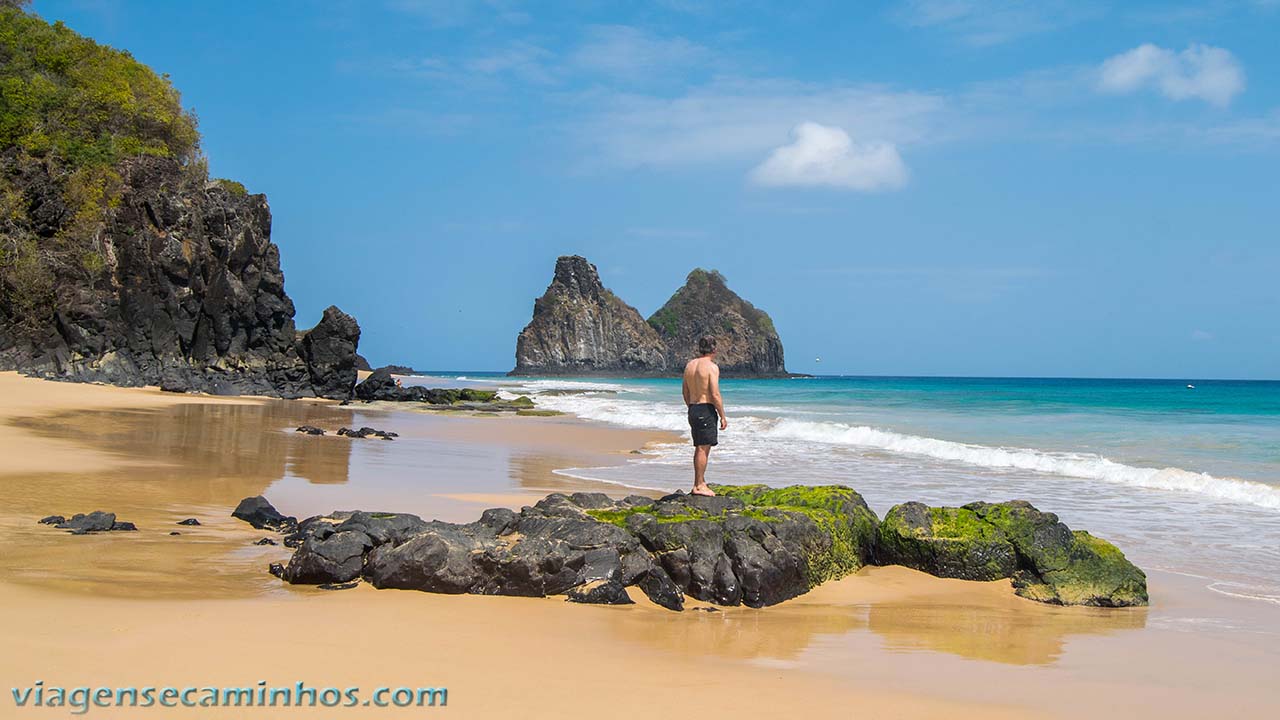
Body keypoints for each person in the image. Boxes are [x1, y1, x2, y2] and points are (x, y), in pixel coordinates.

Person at [682, 335, 727, 496]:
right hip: (705, 409)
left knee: (699, 446)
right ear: (714, 349)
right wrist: (722, 415)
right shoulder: (711, 367)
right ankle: (699, 485)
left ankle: (699, 482)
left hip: (693, 408)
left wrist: (691, 408)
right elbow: (714, 393)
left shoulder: (690, 366)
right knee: (703, 448)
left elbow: (685, 391)